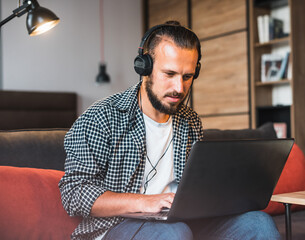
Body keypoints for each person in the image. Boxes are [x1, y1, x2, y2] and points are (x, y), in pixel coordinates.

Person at [59, 21, 281, 240]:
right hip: (117, 225)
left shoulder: (190, 121)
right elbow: (75, 194)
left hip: (181, 222)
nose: (179, 88)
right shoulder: (101, 117)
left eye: (187, 77)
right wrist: (148, 202)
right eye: (169, 74)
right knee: (175, 233)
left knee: (258, 223)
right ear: (144, 68)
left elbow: (198, 186)